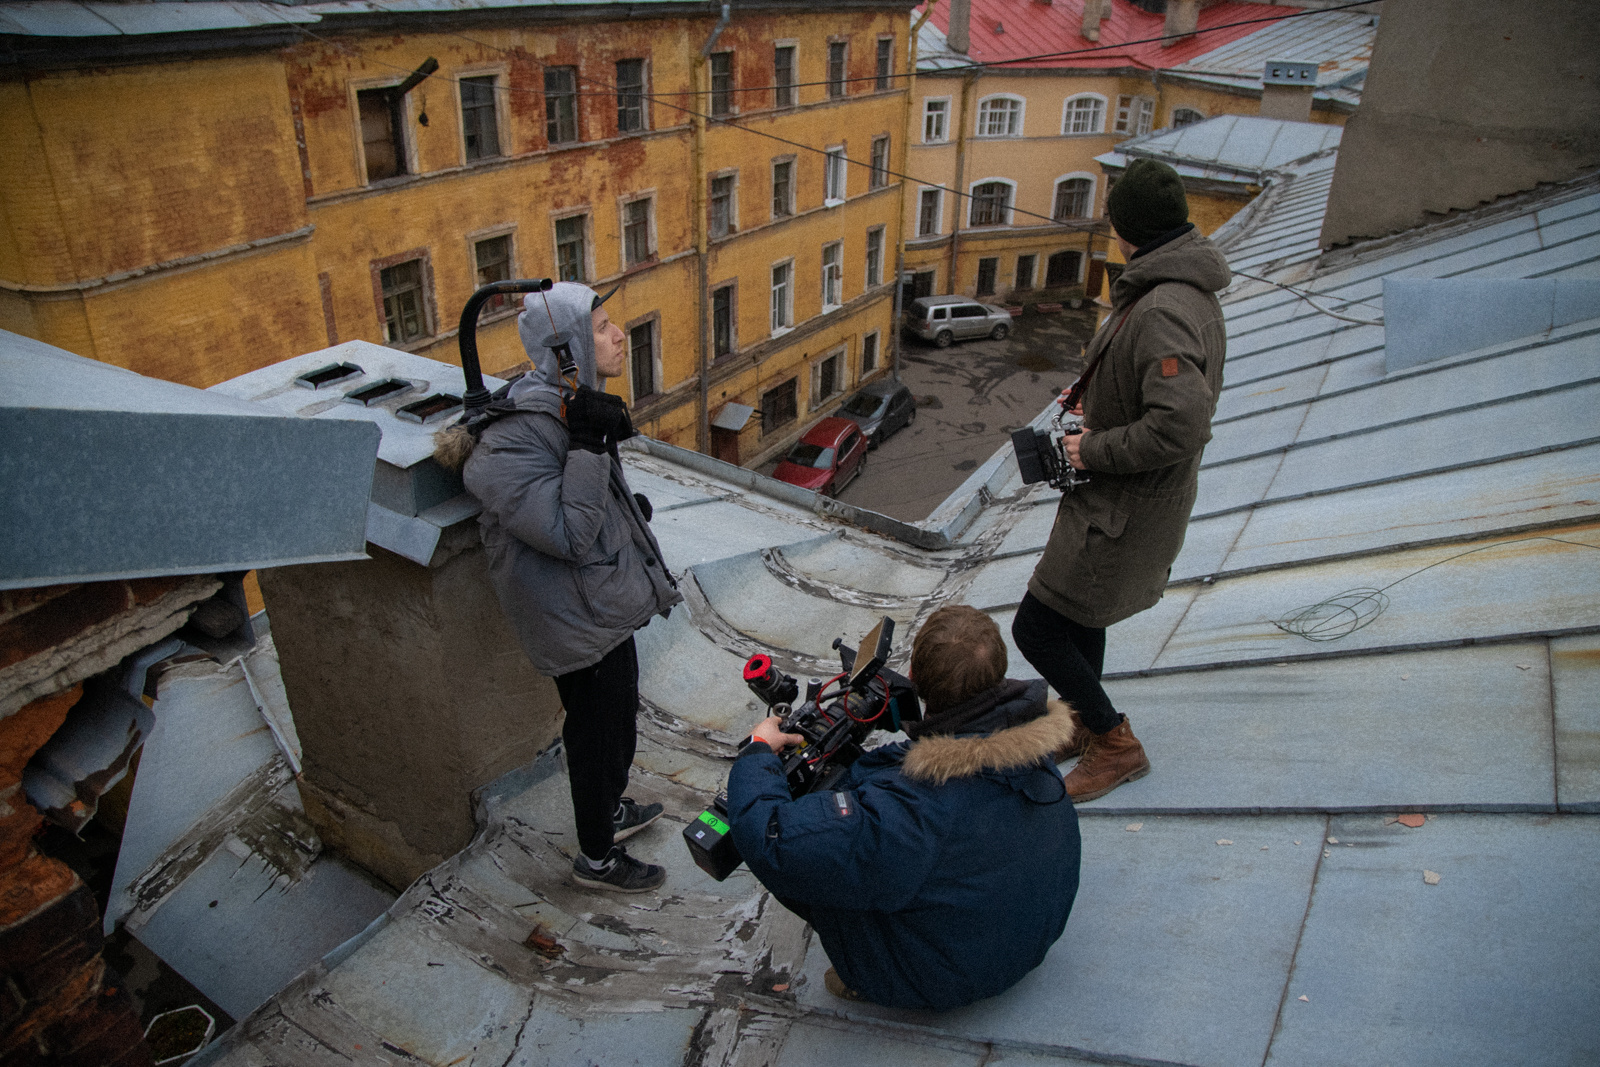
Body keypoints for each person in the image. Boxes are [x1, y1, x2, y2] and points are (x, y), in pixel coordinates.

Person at [725, 605, 1080, 1010]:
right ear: (997, 672)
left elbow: (773, 838)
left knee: (815, 867)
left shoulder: (907, 816)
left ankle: (869, 977)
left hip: (952, 977)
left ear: (914, 678)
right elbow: (929, 769)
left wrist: (757, 754)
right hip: (1034, 932)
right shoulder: (1024, 737)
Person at [1013, 157, 1231, 803]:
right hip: (1117, 502)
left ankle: (1114, 743)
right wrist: (1097, 401)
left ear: (1126, 227)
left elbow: (1181, 426)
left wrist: (1091, 448)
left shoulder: (1163, 305)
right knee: (1082, 616)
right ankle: (1081, 719)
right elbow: (1150, 392)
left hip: (1122, 508)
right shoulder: (1176, 286)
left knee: (1037, 627)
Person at [454, 282, 682, 892]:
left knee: (619, 721)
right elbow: (567, 534)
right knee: (596, 736)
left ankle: (609, 810)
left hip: (597, 600)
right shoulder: (515, 435)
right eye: (602, 327)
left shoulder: (572, 403)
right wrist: (587, 445)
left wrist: (619, 502)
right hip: (571, 615)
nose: (618, 335)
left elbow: (584, 502)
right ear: (568, 352)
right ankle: (597, 860)